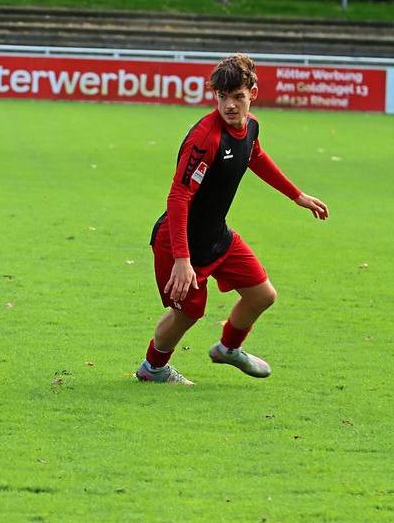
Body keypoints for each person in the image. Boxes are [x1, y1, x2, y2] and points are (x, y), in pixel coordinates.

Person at [136, 53, 329, 386]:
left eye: (237, 97)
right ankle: (153, 368)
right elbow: (179, 197)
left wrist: (296, 195)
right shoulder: (205, 140)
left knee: (262, 295)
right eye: (222, 97)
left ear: (252, 92)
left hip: (216, 237)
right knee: (189, 311)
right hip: (178, 241)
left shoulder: (250, 126)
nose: (229, 105)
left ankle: (227, 348)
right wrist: (182, 259)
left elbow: (255, 155)